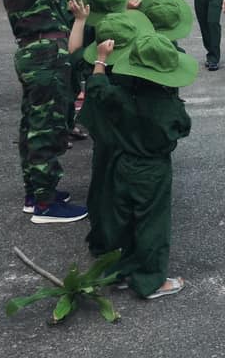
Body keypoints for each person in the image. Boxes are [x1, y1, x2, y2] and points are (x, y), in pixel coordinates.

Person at [0, 0, 115, 224]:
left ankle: (36, 194)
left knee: (33, 125)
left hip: (39, 54)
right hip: (44, 57)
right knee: (46, 128)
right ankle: (45, 205)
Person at [80, 33, 195, 299]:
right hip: (152, 170)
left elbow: (96, 88)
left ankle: (121, 271)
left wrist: (100, 60)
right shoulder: (169, 108)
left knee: (121, 219)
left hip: (120, 163)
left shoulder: (117, 96)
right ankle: (150, 280)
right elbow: (183, 128)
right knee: (152, 224)